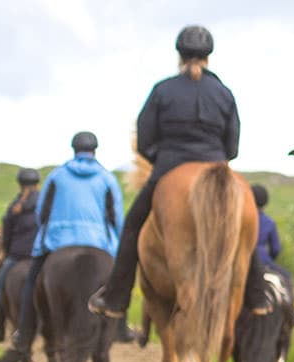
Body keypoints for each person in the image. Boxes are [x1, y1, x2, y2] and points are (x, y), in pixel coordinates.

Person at [88, 25, 241, 319]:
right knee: (248, 228)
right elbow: (232, 147)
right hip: (217, 167)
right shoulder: (224, 94)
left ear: (179, 55)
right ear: (209, 56)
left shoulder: (163, 90)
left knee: (132, 225)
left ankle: (116, 297)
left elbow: (145, 141)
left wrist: (165, 159)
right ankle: (256, 292)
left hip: (170, 166)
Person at [0, 133, 122, 362]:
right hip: (99, 241)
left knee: (31, 281)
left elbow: (43, 213)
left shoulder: (57, 176)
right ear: (95, 150)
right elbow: (116, 216)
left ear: (73, 149)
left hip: (59, 241)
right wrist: (116, 243)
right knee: (121, 280)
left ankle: (24, 330)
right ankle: (121, 327)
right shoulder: (107, 178)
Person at [0, 167, 41, 342]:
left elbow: (7, 234)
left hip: (17, 256)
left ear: (19, 184)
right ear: (38, 184)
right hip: (41, 255)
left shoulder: (14, 206)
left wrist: (8, 252)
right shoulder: (45, 203)